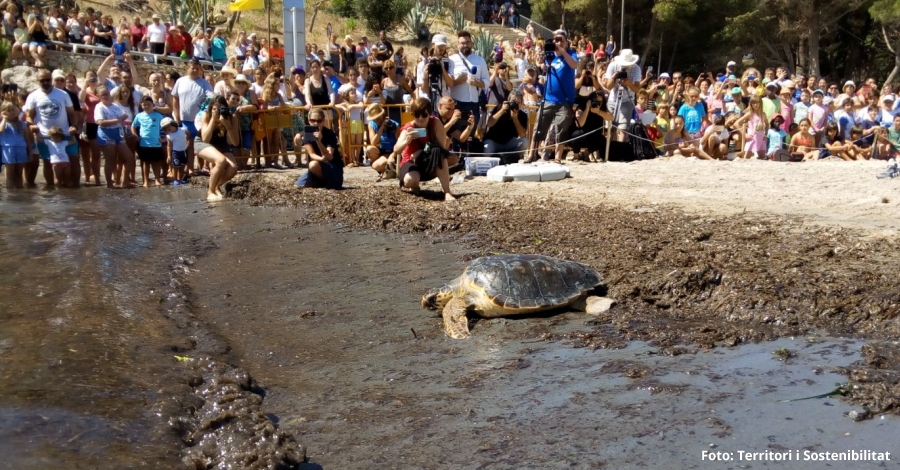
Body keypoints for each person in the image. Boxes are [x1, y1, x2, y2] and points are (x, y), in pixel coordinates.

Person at [527, 29, 579, 163]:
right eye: (556, 40)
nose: (558, 42)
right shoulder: (551, 57)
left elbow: (574, 65)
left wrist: (562, 51)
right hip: (548, 99)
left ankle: (557, 157)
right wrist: (542, 63)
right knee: (539, 126)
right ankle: (531, 154)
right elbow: (543, 68)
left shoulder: (571, 54)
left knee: (561, 129)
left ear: (567, 42)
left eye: (561, 40)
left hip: (564, 101)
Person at [24, 69, 79, 188]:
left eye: (48, 80)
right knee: (48, 162)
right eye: (42, 80)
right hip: (45, 135)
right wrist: (32, 125)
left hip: (64, 133)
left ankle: (75, 188)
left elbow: (72, 113)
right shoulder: (33, 96)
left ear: (51, 80)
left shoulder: (63, 94)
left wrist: (74, 126)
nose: (45, 82)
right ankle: (50, 188)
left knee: (73, 160)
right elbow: (29, 115)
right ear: (37, 81)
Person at [394, 97, 456, 201]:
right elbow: (396, 150)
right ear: (413, 115)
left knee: (441, 156)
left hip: (429, 159)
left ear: (429, 114)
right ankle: (414, 186)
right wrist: (407, 141)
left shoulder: (435, 123)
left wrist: (421, 151)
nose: (421, 118)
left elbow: (441, 148)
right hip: (412, 162)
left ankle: (447, 192)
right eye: (417, 115)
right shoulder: (409, 128)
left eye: (424, 115)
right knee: (410, 180)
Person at [172, 58, 213, 175]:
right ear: (187, 68)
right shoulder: (180, 81)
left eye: (197, 68)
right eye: (192, 68)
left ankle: (202, 167)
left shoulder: (204, 83)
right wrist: (176, 115)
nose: (195, 70)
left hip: (200, 120)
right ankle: (189, 168)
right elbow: (175, 98)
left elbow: (210, 98)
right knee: (188, 145)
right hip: (185, 119)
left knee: (202, 143)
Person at [195, 95, 239, 200]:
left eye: (221, 108)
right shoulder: (206, 115)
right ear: (211, 108)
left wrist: (227, 125)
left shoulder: (231, 117)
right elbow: (205, 139)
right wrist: (213, 120)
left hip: (221, 143)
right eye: (215, 108)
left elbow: (235, 142)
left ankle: (216, 186)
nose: (218, 111)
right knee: (221, 161)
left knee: (233, 168)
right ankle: (210, 192)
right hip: (202, 142)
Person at [94, 84, 135, 187]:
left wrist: (122, 123)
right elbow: (100, 122)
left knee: (129, 157)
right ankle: (109, 183)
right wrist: (118, 120)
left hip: (118, 132)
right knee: (110, 159)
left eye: (107, 93)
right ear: (98, 96)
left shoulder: (115, 106)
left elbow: (123, 119)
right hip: (106, 133)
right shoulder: (99, 107)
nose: (106, 96)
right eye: (103, 95)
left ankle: (125, 181)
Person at [295, 108, 343, 189]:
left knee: (313, 165)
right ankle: (321, 181)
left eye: (319, 121)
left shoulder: (329, 134)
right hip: (319, 163)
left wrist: (318, 141)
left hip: (333, 166)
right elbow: (312, 154)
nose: (316, 123)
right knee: (298, 185)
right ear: (309, 120)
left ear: (323, 121)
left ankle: (327, 181)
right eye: (312, 120)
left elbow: (329, 156)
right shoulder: (307, 134)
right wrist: (321, 159)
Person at [449, 31, 489, 123]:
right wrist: (458, 81)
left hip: (474, 104)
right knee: (457, 135)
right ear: (458, 45)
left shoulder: (480, 60)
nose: (465, 45)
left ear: (472, 44)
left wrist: (477, 83)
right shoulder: (451, 60)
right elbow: (447, 83)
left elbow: (487, 82)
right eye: (462, 43)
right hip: (456, 104)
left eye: (467, 42)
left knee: (471, 134)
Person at [603, 48, 642, 141]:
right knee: (610, 128)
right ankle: (612, 150)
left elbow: (637, 89)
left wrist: (629, 83)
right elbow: (608, 87)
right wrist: (613, 77)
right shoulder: (613, 65)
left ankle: (620, 149)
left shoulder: (636, 68)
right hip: (613, 99)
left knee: (623, 128)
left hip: (627, 100)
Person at [484, 91, 528, 164]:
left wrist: (515, 118)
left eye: (518, 102)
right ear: (508, 101)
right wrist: (502, 110)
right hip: (494, 141)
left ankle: (514, 158)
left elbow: (523, 134)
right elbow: (489, 124)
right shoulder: (499, 107)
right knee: (486, 152)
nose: (515, 104)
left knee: (525, 141)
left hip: (509, 142)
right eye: (513, 101)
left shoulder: (523, 115)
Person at [131, 96, 165, 186]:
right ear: (141, 106)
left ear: (152, 105)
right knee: (145, 163)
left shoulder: (158, 116)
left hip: (156, 143)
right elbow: (133, 126)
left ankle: (157, 179)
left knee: (156, 162)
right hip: (144, 143)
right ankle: (145, 181)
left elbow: (165, 127)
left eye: (148, 104)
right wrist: (135, 135)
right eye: (144, 105)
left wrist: (164, 138)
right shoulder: (139, 116)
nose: (146, 106)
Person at [569, 91, 612, 161]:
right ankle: (576, 155)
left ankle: (585, 153)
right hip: (581, 133)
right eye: (596, 101)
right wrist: (587, 109)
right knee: (576, 135)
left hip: (594, 135)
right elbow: (580, 124)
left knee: (602, 140)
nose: (598, 104)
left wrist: (598, 112)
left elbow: (611, 118)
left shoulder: (602, 108)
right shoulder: (583, 105)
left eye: (600, 102)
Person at [0, 101, 33, 189]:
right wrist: (4, 118)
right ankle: (10, 196)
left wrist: (30, 152)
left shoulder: (22, 124)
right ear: (3, 112)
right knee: (10, 175)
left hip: (21, 149)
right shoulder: (3, 123)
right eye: (8, 110)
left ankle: (19, 195)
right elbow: (1, 130)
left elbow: (27, 139)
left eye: (13, 110)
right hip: (8, 150)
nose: (11, 112)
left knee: (19, 174)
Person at [365, 103, 399, 179]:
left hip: (391, 151)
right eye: (374, 118)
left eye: (378, 118)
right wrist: (381, 127)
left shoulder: (394, 125)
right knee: (370, 149)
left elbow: (399, 143)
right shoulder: (371, 124)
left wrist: (393, 154)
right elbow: (373, 142)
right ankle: (385, 169)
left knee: (376, 165)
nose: (376, 120)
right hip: (380, 150)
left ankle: (389, 168)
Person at [416, 34, 454, 101]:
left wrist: (441, 67)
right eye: (439, 46)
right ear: (433, 45)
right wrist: (425, 77)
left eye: (443, 45)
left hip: (444, 100)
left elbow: (451, 84)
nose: (441, 48)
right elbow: (425, 90)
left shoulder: (449, 62)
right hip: (428, 101)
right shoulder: (423, 64)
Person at [162, 117, 189, 184]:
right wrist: (169, 156)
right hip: (176, 152)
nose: (168, 128)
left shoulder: (182, 129)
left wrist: (187, 141)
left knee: (182, 165)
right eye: (166, 128)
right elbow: (169, 146)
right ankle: (175, 179)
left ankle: (180, 178)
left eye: (169, 126)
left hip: (184, 151)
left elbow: (188, 134)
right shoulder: (170, 136)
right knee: (175, 166)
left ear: (173, 124)